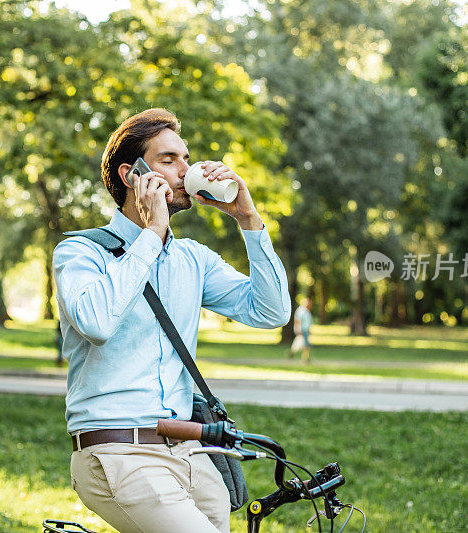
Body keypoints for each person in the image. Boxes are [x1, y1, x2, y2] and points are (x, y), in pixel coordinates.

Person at [53, 108, 291, 533]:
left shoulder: (192, 260)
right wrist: (150, 233)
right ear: (133, 175)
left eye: (187, 157)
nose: (187, 170)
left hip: (188, 454)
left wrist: (248, 219)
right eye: (169, 160)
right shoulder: (78, 253)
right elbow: (96, 323)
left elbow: (270, 311)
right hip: (117, 453)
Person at [290, 297, 313, 363]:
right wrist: (297, 330)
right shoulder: (300, 311)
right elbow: (297, 321)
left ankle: (304, 358)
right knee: (303, 345)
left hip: (306, 330)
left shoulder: (307, 311)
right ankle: (293, 354)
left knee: (305, 345)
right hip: (301, 330)